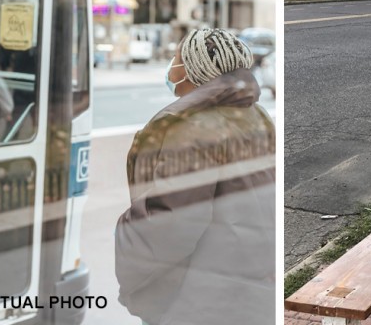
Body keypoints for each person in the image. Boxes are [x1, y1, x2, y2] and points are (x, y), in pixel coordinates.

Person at [115, 28, 275, 324]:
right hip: (253, 288)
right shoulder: (258, 114)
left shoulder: (192, 128)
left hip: (200, 299)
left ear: (190, 70)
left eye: (176, 60)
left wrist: (125, 239)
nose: (171, 69)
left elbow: (170, 227)